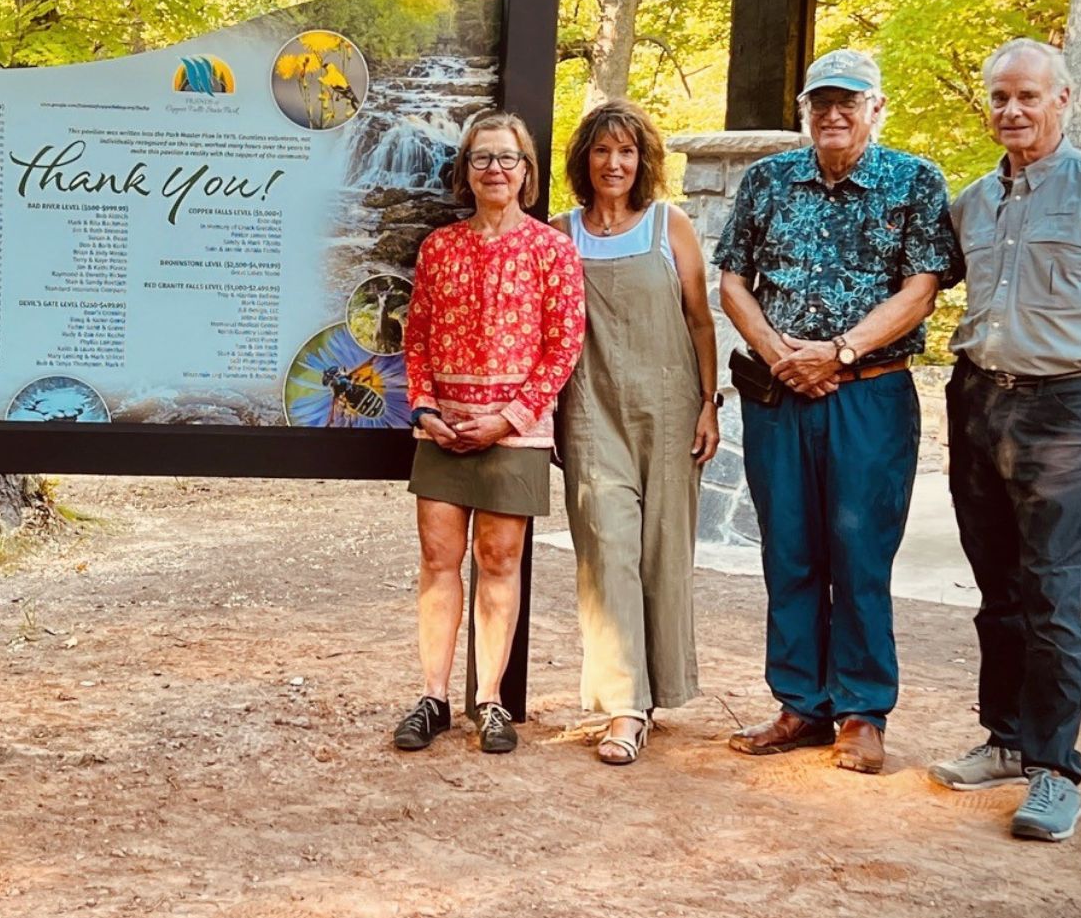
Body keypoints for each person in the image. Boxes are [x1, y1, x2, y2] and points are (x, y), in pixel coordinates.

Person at [716, 49, 953, 774]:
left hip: (870, 395)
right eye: (820, 102)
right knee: (787, 548)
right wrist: (780, 353)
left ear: (876, 108)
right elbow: (732, 276)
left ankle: (860, 709)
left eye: (849, 101)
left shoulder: (914, 180)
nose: (833, 113)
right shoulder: (767, 180)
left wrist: (841, 352)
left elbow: (923, 286)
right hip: (778, 395)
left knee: (858, 553)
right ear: (804, 111)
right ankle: (799, 703)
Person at [931, 38, 1081, 843]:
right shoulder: (973, 200)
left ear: (1064, 100)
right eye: (1000, 97)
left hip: (1064, 410)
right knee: (999, 590)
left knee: (1053, 594)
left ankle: (1054, 770)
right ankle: (1005, 737)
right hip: (978, 400)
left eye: (1028, 97)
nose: (1012, 110)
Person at [393, 111, 585, 755]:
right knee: (437, 561)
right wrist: (424, 409)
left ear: (526, 172)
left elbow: (563, 346)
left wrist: (507, 418)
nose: (494, 170)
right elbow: (414, 337)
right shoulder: (438, 248)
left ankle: (491, 702)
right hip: (442, 431)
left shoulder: (551, 249)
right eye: (481, 159)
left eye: (506, 159)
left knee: (499, 562)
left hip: (515, 432)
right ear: (466, 172)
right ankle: (432, 697)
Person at [551, 100, 719, 765]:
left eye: (626, 152)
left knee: (662, 551)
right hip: (592, 407)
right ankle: (624, 705)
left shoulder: (667, 226)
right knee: (606, 548)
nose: (614, 163)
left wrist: (710, 403)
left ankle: (657, 689)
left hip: (672, 404)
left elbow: (701, 320)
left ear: (642, 160)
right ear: (584, 161)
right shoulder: (561, 232)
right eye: (602, 151)